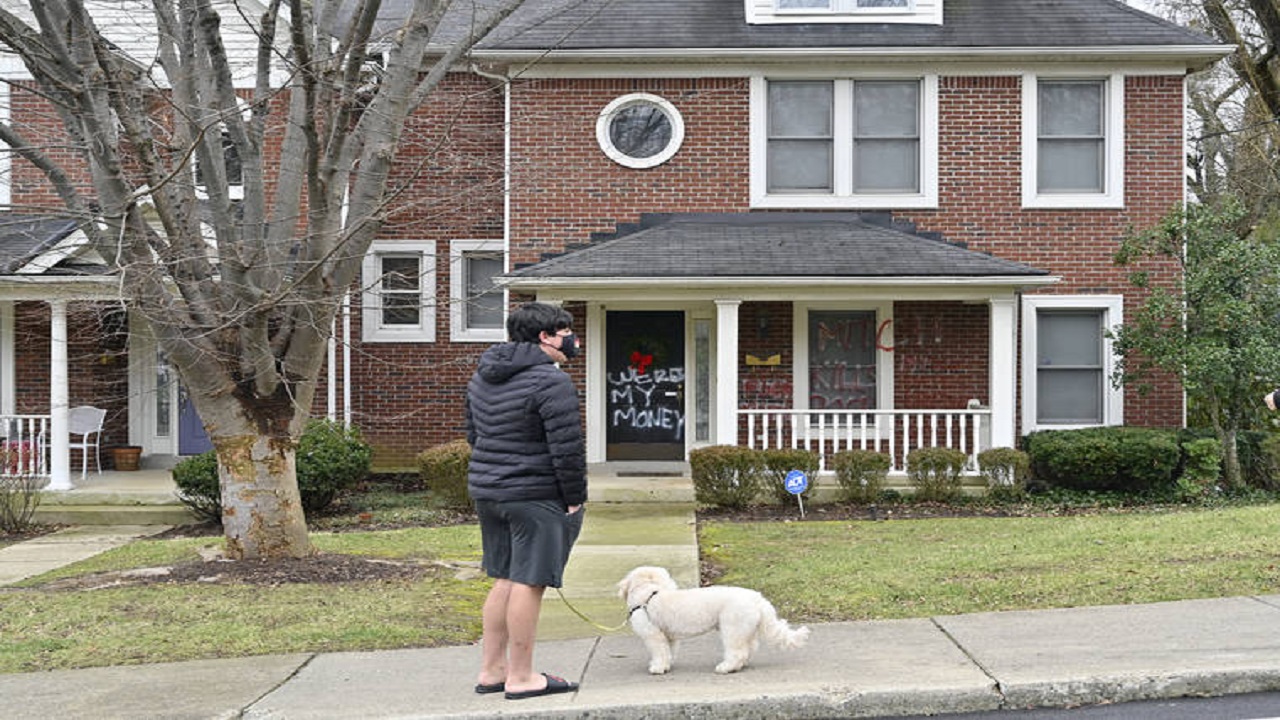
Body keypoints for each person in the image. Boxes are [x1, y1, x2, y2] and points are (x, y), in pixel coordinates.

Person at [465, 302, 587, 700]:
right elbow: (566, 449)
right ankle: (521, 677)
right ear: (545, 337)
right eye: (565, 332)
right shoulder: (551, 381)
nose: (573, 340)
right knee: (529, 581)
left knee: (504, 576)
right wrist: (574, 498)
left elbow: (474, 435)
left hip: (489, 492)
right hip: (535, 495)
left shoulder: (483, 375)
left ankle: (492, 671)